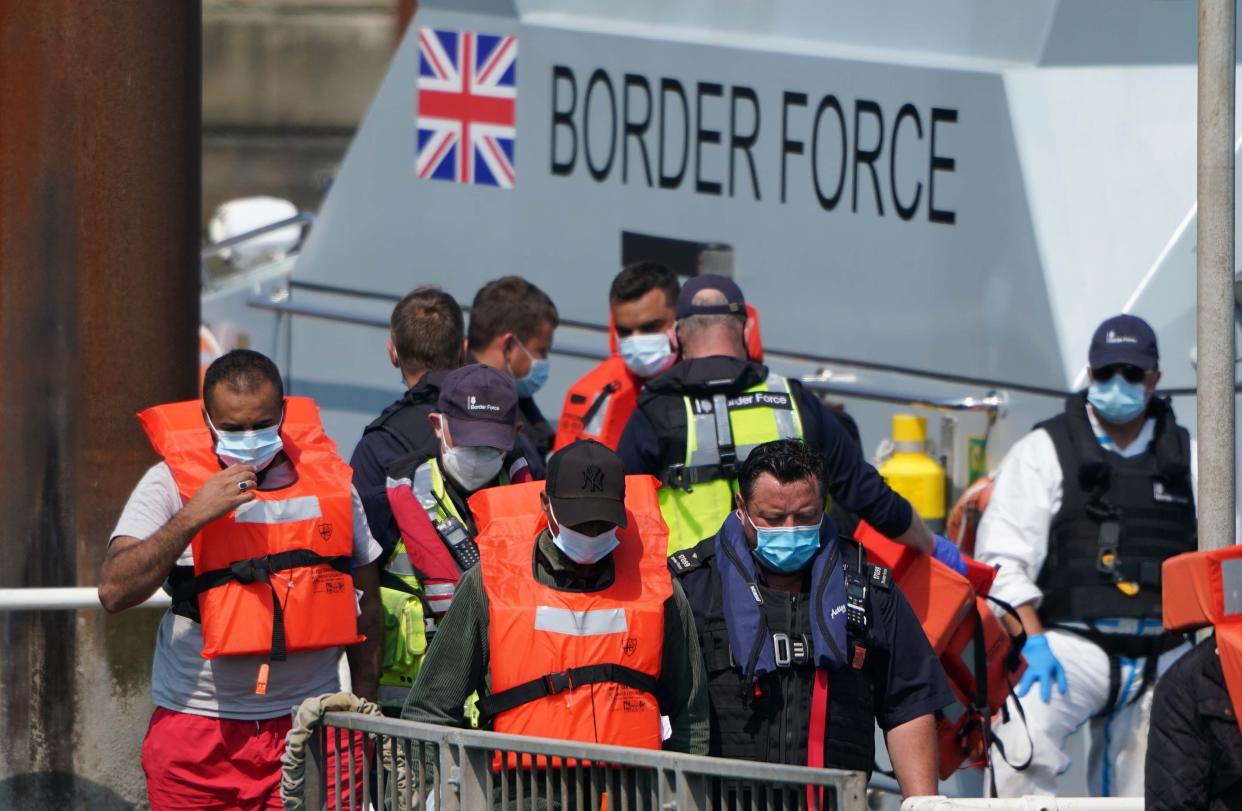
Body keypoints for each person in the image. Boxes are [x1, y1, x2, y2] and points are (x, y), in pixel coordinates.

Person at [98, 349, 383, 810]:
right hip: (198, 731)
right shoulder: (169, 483)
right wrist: (193, 515)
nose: (249, 438)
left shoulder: (333, 483)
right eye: (232, 428)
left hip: (311, 725)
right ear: (208, 420)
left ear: (284, 413)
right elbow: (114, 590)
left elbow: (367, 604)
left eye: (262, 424)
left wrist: (365, 714)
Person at [975, 314, 1198, 797]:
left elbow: (1225, 560)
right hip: (1066, 649)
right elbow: (1000, 562)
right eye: (1106, 373)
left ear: (1154, 380)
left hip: (1168, 651)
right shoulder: (1043, 450)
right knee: (1020, 742)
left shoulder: (1191, 458)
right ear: (1090, 374)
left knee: (1161, 784)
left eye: (1132, 374)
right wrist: (1031, 642)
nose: (1118, 384)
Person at [616, 274, 958, 569]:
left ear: (677, 335)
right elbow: (869, 494)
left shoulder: (653, 411)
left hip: (692, 600)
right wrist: (930, 544)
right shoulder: (793, 400)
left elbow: (622, 516)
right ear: (747, 328)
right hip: (791, 599)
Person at [670, 439, 950, 797]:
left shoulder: (869, 589)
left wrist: (921, 805)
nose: (789, 529)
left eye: (804, 517)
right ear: (741, 506)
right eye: (772, 518)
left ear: (824, 506)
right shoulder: (692, 585)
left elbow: (911, 703)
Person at [403, 439, 709, 758]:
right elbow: (430, 711)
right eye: (579, 522)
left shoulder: (660, 588)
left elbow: (692, 718)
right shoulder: (487, 584)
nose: (591, 534)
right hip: (521, 796)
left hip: (629, 793)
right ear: (545, 503)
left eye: (602, 523)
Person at [378, 363, 532, 712]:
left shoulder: (534, 500)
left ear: (515, 433)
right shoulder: (388, 501)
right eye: (466, 438)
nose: (477, 453)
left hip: (500, 717)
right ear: (437, 425)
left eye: (490, 444)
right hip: (411, 716)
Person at [351, 285, 465, 552]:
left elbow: (361, 544)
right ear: (463, 351)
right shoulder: (505, 423)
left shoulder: (378, 444)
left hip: (415, 593)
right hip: (500, 590)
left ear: (393, 353)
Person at [553, 262, 680, 451]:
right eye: (625, 331)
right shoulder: (589, 392)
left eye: (649, 328)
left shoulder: (711, 381)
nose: (636, 340)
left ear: (678, 318)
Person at [466, 275, 559, 474]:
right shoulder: (475, 414)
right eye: (541, 351)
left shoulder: (516, 399)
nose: (544, 361)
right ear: (508, 346)